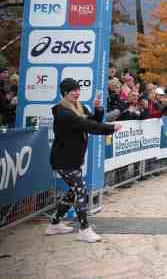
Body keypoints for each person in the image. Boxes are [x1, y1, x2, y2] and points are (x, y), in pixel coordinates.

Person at [46, 78, 120, 242]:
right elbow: (88, 126)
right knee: (80, 191)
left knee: (73, 192)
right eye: (73, 90)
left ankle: (54, 224)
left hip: (73, 158)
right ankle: (84, 229)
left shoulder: (78, 107)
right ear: (65, 93)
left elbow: (92, 121)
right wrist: (111, 128)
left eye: (78, 90)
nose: (77, 93)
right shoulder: (63, 112)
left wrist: (99, 109)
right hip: (63, 159)